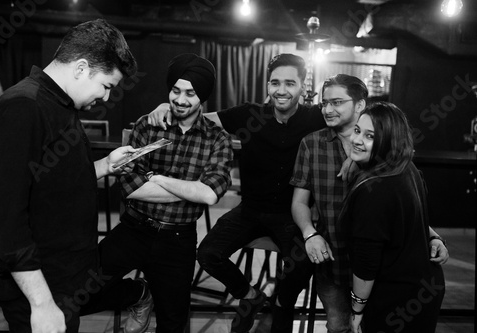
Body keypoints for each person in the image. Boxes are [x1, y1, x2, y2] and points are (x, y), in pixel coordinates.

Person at [0, 19, 144, 332]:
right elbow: (4, 219)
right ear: (81, 68)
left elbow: (53, 182)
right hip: (41, 289)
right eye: (106, 86)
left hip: (64, 279)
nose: (107, 98)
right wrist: (42, 304)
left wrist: (105, 165)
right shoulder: (23, 106)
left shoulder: (61, 103)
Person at [148, 53, 327, 332]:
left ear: (303, 86)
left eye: (290, 83)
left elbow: (353, 118)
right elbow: (200, 119)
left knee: (303, 264)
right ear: (267, 85)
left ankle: (281, 306)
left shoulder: (316, 117)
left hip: (292, 212)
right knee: (208, 254)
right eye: (275, 82)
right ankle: (251, 296)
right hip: (250, 209)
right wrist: (169, 107)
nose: (281, 90)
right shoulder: (249, 115)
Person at [290, 75, 449, 333]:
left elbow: (404, 216)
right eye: (324, 103)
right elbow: (299, 201)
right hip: (338, 265)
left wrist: (432, 236)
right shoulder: (314, 144)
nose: (328, 109)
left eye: (337, 102)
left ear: (360, 105)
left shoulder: (389, 171)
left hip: (379, 280)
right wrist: (310, 235)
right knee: (339, 328)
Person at [96, 53, 233, 333]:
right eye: (175, 90)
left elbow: (209, 194)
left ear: (203, 96)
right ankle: (137, 295)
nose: (181, 100)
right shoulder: (147, 124)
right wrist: (189, 189)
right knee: (78, 293)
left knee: (173, 324)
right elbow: (130, 187)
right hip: (134, 230)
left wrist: (154, 177)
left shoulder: (218, 138)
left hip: (178, 238)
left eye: (191, 93)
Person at [340, 102, 446, 333]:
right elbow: (408, 218)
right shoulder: (405, 168)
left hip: (397, 300)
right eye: (357, 130)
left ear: (387, 141)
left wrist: (357, 310)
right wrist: (435, 238)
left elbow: (367, 264)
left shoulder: (373, 191)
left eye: (370, 136)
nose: (357, 140)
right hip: (426, 287)